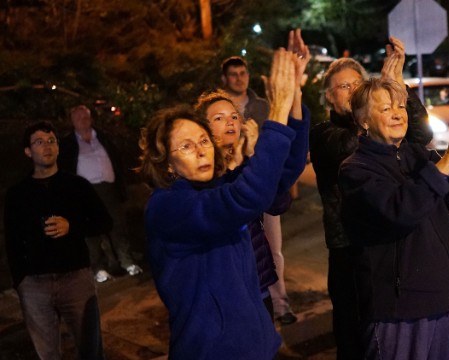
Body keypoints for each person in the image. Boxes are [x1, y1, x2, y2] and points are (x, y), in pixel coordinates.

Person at [139, 48, 309, 359]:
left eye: (203, 141)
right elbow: (246, 197)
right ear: (167, 164)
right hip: (214, 350)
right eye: (187, 146)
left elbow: (281, 176)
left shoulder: (218, 185)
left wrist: (293, 99)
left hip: (256, 344)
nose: (201, 151)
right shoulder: (167, 207)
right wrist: (278, 110)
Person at [338, 77, 449, 359]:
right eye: (385, 109)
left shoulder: (417, 155)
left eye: (400, 107)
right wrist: (448, 159)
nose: (397, 114)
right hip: (399, 310)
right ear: (364, 121)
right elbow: (401, 209)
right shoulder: (355, 170)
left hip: (442, 298)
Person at [309, 36, 431, 359]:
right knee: (353, 331)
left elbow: (422, 135)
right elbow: (354, 147)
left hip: (388, 245)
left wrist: (396, 86)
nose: (351, 92)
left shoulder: (381, 123)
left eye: (357, 84)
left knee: (387, 332)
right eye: (343, 87)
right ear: (329, 98)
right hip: (349, 250)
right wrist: (374, 109)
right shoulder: (325, 135)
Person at [4, 121, 111, 359]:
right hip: (34, 283)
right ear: (28, 151)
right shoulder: (18, 193)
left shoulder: (77, 185)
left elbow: (104, 222)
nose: (47, 146)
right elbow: (12, 239)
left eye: (51, 141)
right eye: (39, 142)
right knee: (48, 353)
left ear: (59, 147)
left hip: (75, 278)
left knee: (90, 349)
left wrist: (72, 226)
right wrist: (20, 280)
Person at [221, 46, 299, 324]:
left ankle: (280, 303)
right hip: (235, 186)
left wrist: (286, 182)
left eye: (243, 73)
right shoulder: (219, 108)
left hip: (263, 181)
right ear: (225, 79)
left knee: (272, 247)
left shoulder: (263, 106)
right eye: (233, 74)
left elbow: (281, 145)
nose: (239, 78)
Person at [59, 105, 142, 283]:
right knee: (91, 233)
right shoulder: (68, 144)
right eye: (78, 117)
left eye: (86, 116)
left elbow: (116, 160)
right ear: (72, 121)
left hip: (108, 189)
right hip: (85, 193)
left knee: (118, 226)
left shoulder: (102, 138)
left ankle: (127, 262)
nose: (83, 119)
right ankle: (99, 268)